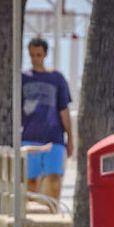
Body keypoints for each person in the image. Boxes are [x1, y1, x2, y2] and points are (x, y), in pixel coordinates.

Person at [20, 37, 73, 205]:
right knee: (30, 183)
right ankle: (29, 223)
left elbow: (63, 110)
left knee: (54, 182)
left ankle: (52, 216)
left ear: (45, 55)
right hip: (28, 138)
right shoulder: (23, 78)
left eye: (38, 55)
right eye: (32, 55)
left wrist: (70, 139)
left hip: (54, 138)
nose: (35, 58)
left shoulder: (57, 79)